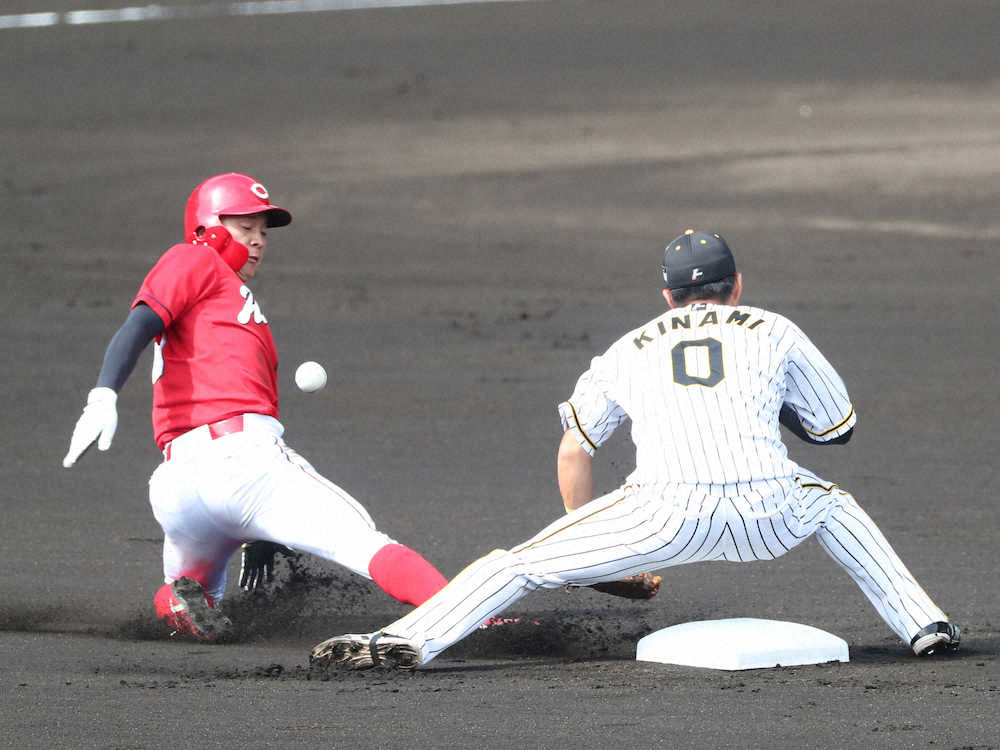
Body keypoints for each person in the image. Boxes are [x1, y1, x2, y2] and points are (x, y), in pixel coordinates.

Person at [310, 229, 961, 671]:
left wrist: (599, 559)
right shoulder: (775, 330)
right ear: (737, 286)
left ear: (668, 298)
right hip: (772, 510)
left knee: (519, 564)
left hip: (661, 518)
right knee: (834, 505)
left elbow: (575, 449)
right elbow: (835, 431)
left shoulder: (629, 348)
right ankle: (925, 626)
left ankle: (402, 641)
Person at [63, 172, 448, 640]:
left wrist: (262, 530)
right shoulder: (194, 259)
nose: (259, 241)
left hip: (179, 487)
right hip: (242, 464)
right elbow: (139, 323)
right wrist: (103, 394)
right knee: (364, 542)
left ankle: (174, 603)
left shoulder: (226, 305)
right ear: (209, 227)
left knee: (195, 594)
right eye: (246, 228)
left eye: (263, 232)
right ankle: (472, 615)